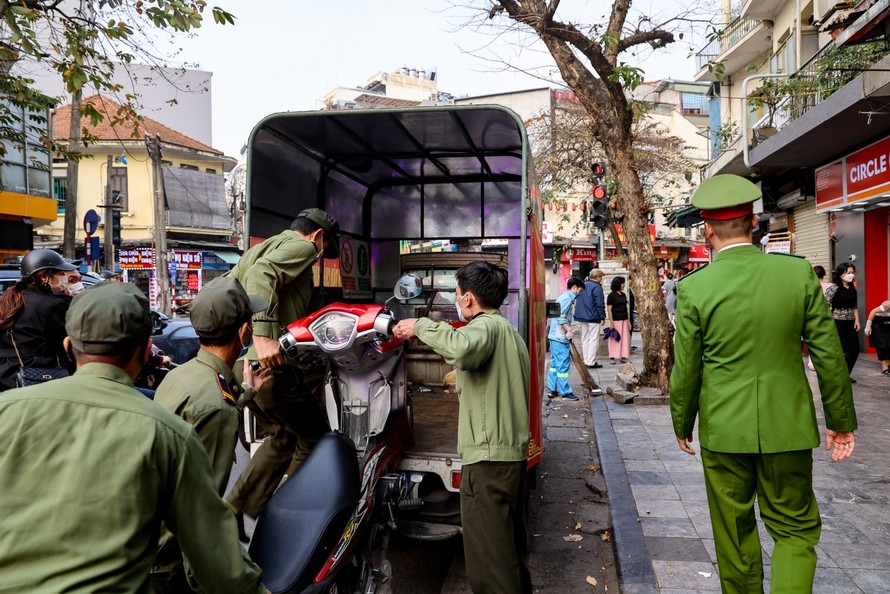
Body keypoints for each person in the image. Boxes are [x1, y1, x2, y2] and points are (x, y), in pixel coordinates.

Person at [0, 282, 268, 593]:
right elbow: (215, 558)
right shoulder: (169, 435)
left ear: (67, 346)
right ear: (144, 350)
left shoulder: (7, 410)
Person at [670, 174, 857, 594]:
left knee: (734, 534)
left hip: (723, 430)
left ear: (708, 229)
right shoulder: (798, 275)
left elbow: (687, 367)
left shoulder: (695, 288)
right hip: (787, 426)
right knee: (795, 529)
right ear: (755, 225)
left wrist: (682, 421)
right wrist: (841, 421)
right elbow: (828, 354)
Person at [392, 262, 532, 594]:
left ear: (468, 298)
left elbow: (462, 348)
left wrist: (421, 326)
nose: (457, 300)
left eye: (456, 294)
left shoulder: (484, 328)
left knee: (489, 567)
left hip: (487, 462)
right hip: (507, 459)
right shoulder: (509, 333)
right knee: (506, 555)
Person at [151, 277, 272, 591]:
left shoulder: (183, 374)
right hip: (167, 562)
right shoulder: (217, 408)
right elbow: (200, 514)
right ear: (244, 331)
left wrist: (246, 391)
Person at [224, 208, 339, 520]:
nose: (319, 255)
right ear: (319, 237)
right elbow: (263, 275)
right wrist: (262, 335)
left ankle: (235, 508)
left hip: (242, 367)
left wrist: (240, 328)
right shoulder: (303, 247)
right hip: (269, 367)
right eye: (324, 248)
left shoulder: (261, 248)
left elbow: (227, 285)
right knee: (317, 439)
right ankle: (290, 515)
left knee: (282, 436)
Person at [0, 249, 77, 391]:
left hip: (6, 376)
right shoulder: (52, 306)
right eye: (60, 274)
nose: (64, 279)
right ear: (43, 277)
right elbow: (65, 345)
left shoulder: (10, 299)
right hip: (40, 377)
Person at [547, 276, 584, 400]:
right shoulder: (567, 299)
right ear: (574, 287)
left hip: (553, 336)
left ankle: (552, 389)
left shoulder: (561, 297)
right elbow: (561, 317)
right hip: (560, 337)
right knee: (563, 365)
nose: (579, 294)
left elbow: (554, 315)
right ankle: (565, 392)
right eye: (579, 291)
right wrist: (569, 330)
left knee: (554, 364)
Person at [825, 263, 861, 380]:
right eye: (848, 273)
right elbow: (824, 304)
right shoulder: (834, 288)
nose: (851, 275)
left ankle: (845, 374)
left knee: (854, 350)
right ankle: (837, 375)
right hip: (837, 322)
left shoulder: (852, 289)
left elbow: (855, 306)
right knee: (838, 350)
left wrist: (857, 321)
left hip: (850, 322)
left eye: (852, 272)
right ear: (841, 274)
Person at [573, 270, 605, 369]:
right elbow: (599, 303)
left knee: (585, 338)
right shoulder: (597, 287)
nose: (601, 279)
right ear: (598, 277)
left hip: (582, 316)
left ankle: (586, 359)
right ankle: (590, 361)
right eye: (601, 277)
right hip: (593, 316)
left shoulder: (583, 285)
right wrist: (602, 316)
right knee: (593, 339)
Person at [606, 276, 631, 364]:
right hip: (616, 319)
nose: (623, 285)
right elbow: (609, 309)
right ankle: (613, 356)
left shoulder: (623, 294)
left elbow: (626, 308)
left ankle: (623, 355)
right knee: (615, 338)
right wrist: (611, 321)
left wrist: (628, 321)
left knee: (625, 338)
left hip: (624, 318)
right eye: (622, 283)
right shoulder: (611, 296)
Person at [864, 298, 890, 376]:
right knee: (881, 345)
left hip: (888, 322)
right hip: (878, 323)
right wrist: (868, 326)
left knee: (889, 344)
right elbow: (873, 311)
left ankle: (888, 363)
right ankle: (884, 366)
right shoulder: (888, 304)